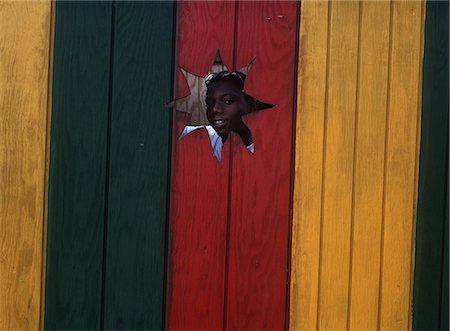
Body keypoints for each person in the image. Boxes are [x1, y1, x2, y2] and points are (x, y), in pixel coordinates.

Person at [205, 71, 255, 151]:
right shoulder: (203, 137)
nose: (215, 109)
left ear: (252, 106)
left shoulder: (273, 149)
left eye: (228, 101)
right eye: (209, 104)